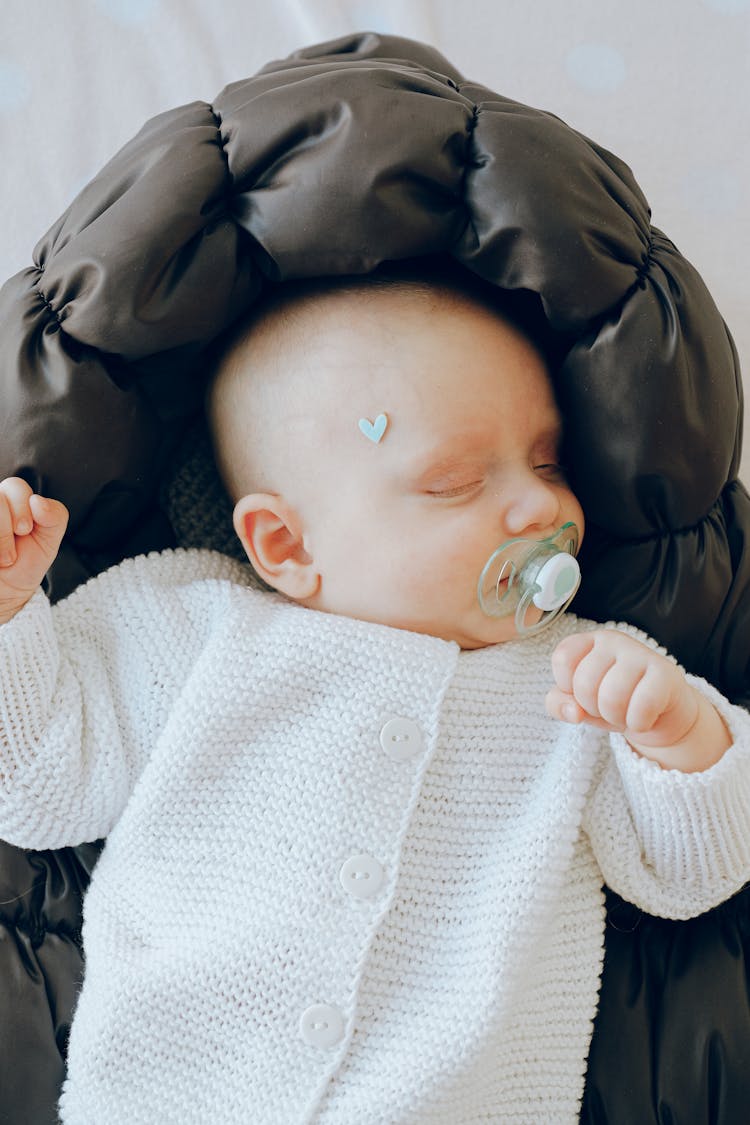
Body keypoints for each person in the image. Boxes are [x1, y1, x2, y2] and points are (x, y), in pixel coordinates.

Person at [0, 269, 748, 1124]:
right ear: (284, 542)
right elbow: (34, 786)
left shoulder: (582, 677)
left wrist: (680, 734)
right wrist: (12, 615)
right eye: (455, 482)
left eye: (547, 460)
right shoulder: (197, 629)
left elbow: (696, 874)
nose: (539, 502)